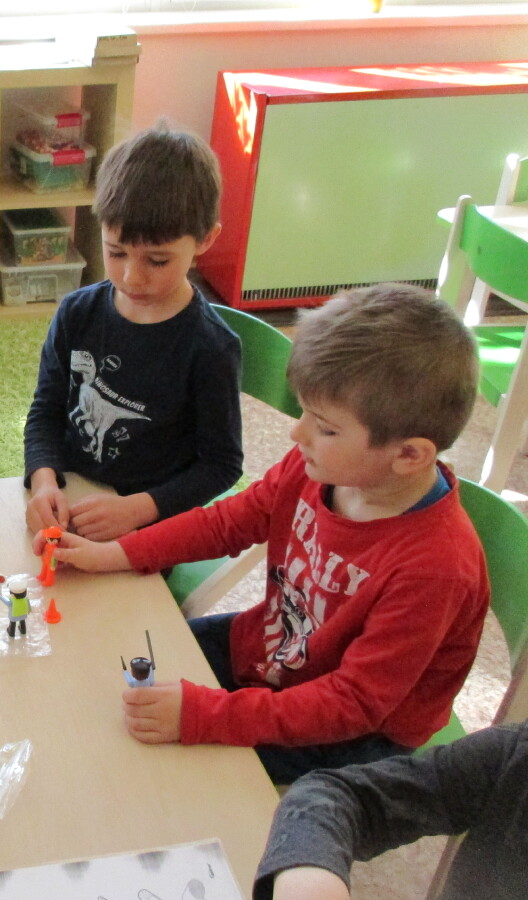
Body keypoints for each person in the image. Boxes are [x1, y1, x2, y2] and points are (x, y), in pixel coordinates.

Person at [42, 284, 489, 784]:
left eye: (325, 427)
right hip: (275, 653)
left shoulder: (436, 568)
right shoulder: (319, 467)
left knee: (172, 773)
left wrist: (206, 715)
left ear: (408, 455)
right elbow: (229, 521)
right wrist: (115, 553)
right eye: (305, 413)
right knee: (114, 668)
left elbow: (353, 704)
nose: (297, 434)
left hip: (356, 734)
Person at [23, 122, 243, 542]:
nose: (131, 277)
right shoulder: (77, 313)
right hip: (71, 499)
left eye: (157, 261)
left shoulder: (211, 347)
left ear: (205, 239)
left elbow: (221, 465)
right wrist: (44, 480)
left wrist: (138, 509)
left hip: (149, 524)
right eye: (115, 252)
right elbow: (45, 410)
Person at [254, 721, 528, 899]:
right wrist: (309, 870)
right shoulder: (512, 757)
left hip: (375, 733)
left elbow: (354, 701)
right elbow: (336, 795)